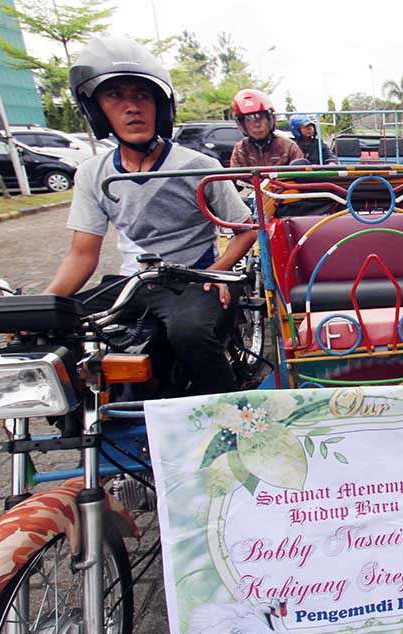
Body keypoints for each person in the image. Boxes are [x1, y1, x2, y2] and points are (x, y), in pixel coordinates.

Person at [47, 37, 254, 397]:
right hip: (133, 284)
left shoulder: (199, 167)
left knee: (190, 335)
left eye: (141, 96)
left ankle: (230, 419)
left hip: (191, 281)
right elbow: (81, 255)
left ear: (160, 106)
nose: (132, 108)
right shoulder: (92, 174)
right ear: (97, 110)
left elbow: (246, 229)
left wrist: (218, 272)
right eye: (116, 97)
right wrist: (42, 307)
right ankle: (88, 420)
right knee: (56, 329)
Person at [229, 89, 303, 167]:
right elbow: (235, 178)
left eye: (260, 118)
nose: (257, 125)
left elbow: (302, 175)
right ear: (243, 124)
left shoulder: (289, 147)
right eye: (249, 120)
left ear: (270, 120)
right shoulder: (240, 150)